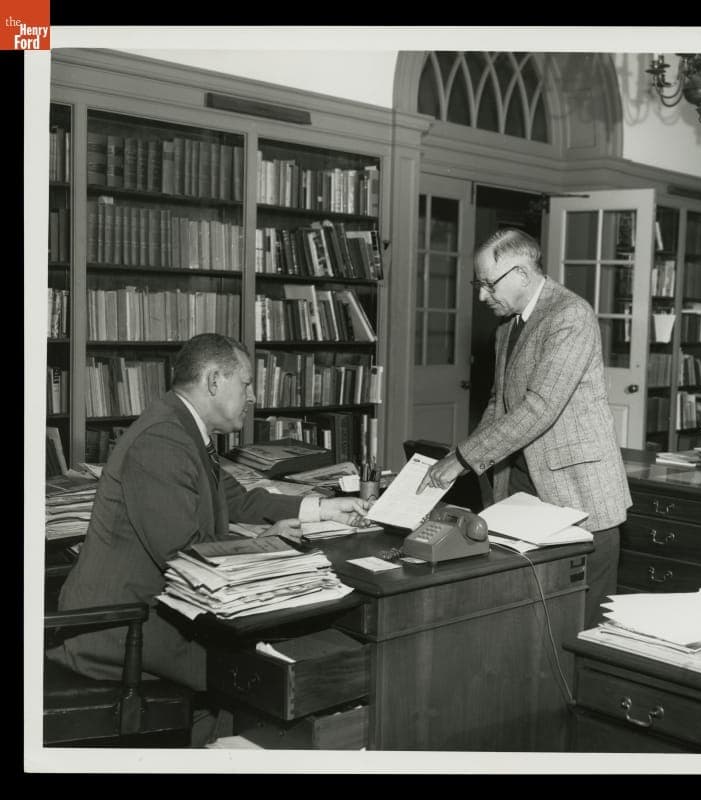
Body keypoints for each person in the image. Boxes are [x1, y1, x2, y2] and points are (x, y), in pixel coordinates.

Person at [47, 333, 371, 698]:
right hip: (125, 627)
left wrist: (324, 508)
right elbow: (183, 553)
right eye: (246, 384)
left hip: (155, 610)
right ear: (214, 380)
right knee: (261, 670)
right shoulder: (162, 441)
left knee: (281, 650)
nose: (253, 397)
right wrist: (264, 546)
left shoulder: (181, 427)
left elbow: (239, 501)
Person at [417, 229, 632, 627]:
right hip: (522, 489)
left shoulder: (570, 315)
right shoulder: (507, 327)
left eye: (488, 284)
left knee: (584, 623)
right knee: (531, 618)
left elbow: (540, 406)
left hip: (578, 492)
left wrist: (463, 458)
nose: (482, 296)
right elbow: (499, 404)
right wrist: (460, 455)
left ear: (520, 273)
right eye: (479, 285)